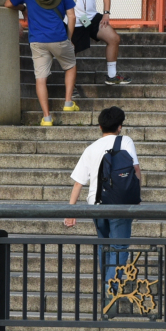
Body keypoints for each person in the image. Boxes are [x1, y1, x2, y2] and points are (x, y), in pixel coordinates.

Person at [63, 106, 143, 285]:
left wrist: (70, 211)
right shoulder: (126, 141)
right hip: (120, 204)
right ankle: (110, 289)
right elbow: (135, 169)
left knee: (104, 244)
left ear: (100, 127)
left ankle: (107, 286)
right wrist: (136, 198)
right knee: (120, 246)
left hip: (96, 204)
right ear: (120, 126)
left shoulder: (91, 148)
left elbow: (78, 182)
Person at [10, 0, 78, 125]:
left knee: (40, 78)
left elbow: (7, 3)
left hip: (37, 40)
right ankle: (68, 102)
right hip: (59, 37)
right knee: (70, 66)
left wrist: (22, 8)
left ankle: (47, 117)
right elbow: (72, 16)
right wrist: (69, 37)